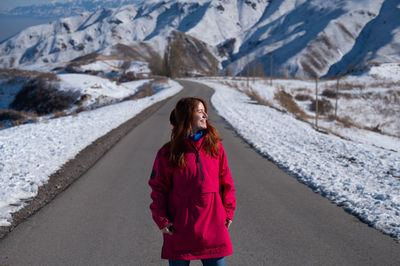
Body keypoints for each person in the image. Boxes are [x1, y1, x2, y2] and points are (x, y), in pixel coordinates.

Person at [149, 97, 236, 266]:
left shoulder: (215, 147)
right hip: (180, 229)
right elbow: (158, 189)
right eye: (200, 111)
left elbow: (226, 183)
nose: (205, 116)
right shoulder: (168, 153)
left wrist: (228, 211)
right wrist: (162, 219)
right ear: (187, 116)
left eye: (205, 111)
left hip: (213, 227)